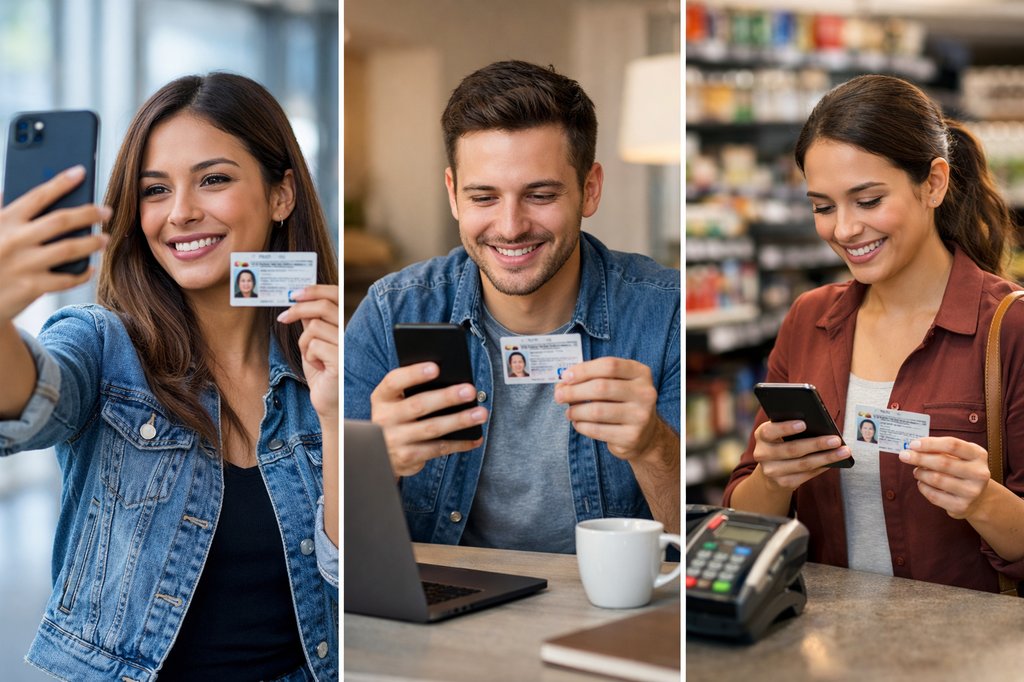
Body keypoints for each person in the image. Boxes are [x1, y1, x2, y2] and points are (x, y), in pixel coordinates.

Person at [0, 73, 339, 680]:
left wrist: (339, 417)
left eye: (213, 179)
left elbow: (355, 581)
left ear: (281, 194)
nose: (180, 213)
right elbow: (29, 403)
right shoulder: (101, 344)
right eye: (155, 190)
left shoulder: (332, 355)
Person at [344, 60, 680, 554]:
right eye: (483, 196)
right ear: (453, 195)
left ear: (590, 189)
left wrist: (654, 448)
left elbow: (690, 556)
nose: (510, 226)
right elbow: (335, 553)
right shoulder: (388, 312)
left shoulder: (666, 313)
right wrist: (375, 467)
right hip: (441, 612)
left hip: (612, 615)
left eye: (539, 195)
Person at [724, 74, 1024, 594]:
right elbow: (743, 518)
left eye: (867, 200)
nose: (843, 230)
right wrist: (771, 479)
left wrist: (982, 500)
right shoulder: (808, 320)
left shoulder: (1010, 328)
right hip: (825, 648)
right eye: (823, 206)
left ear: (933, 182)